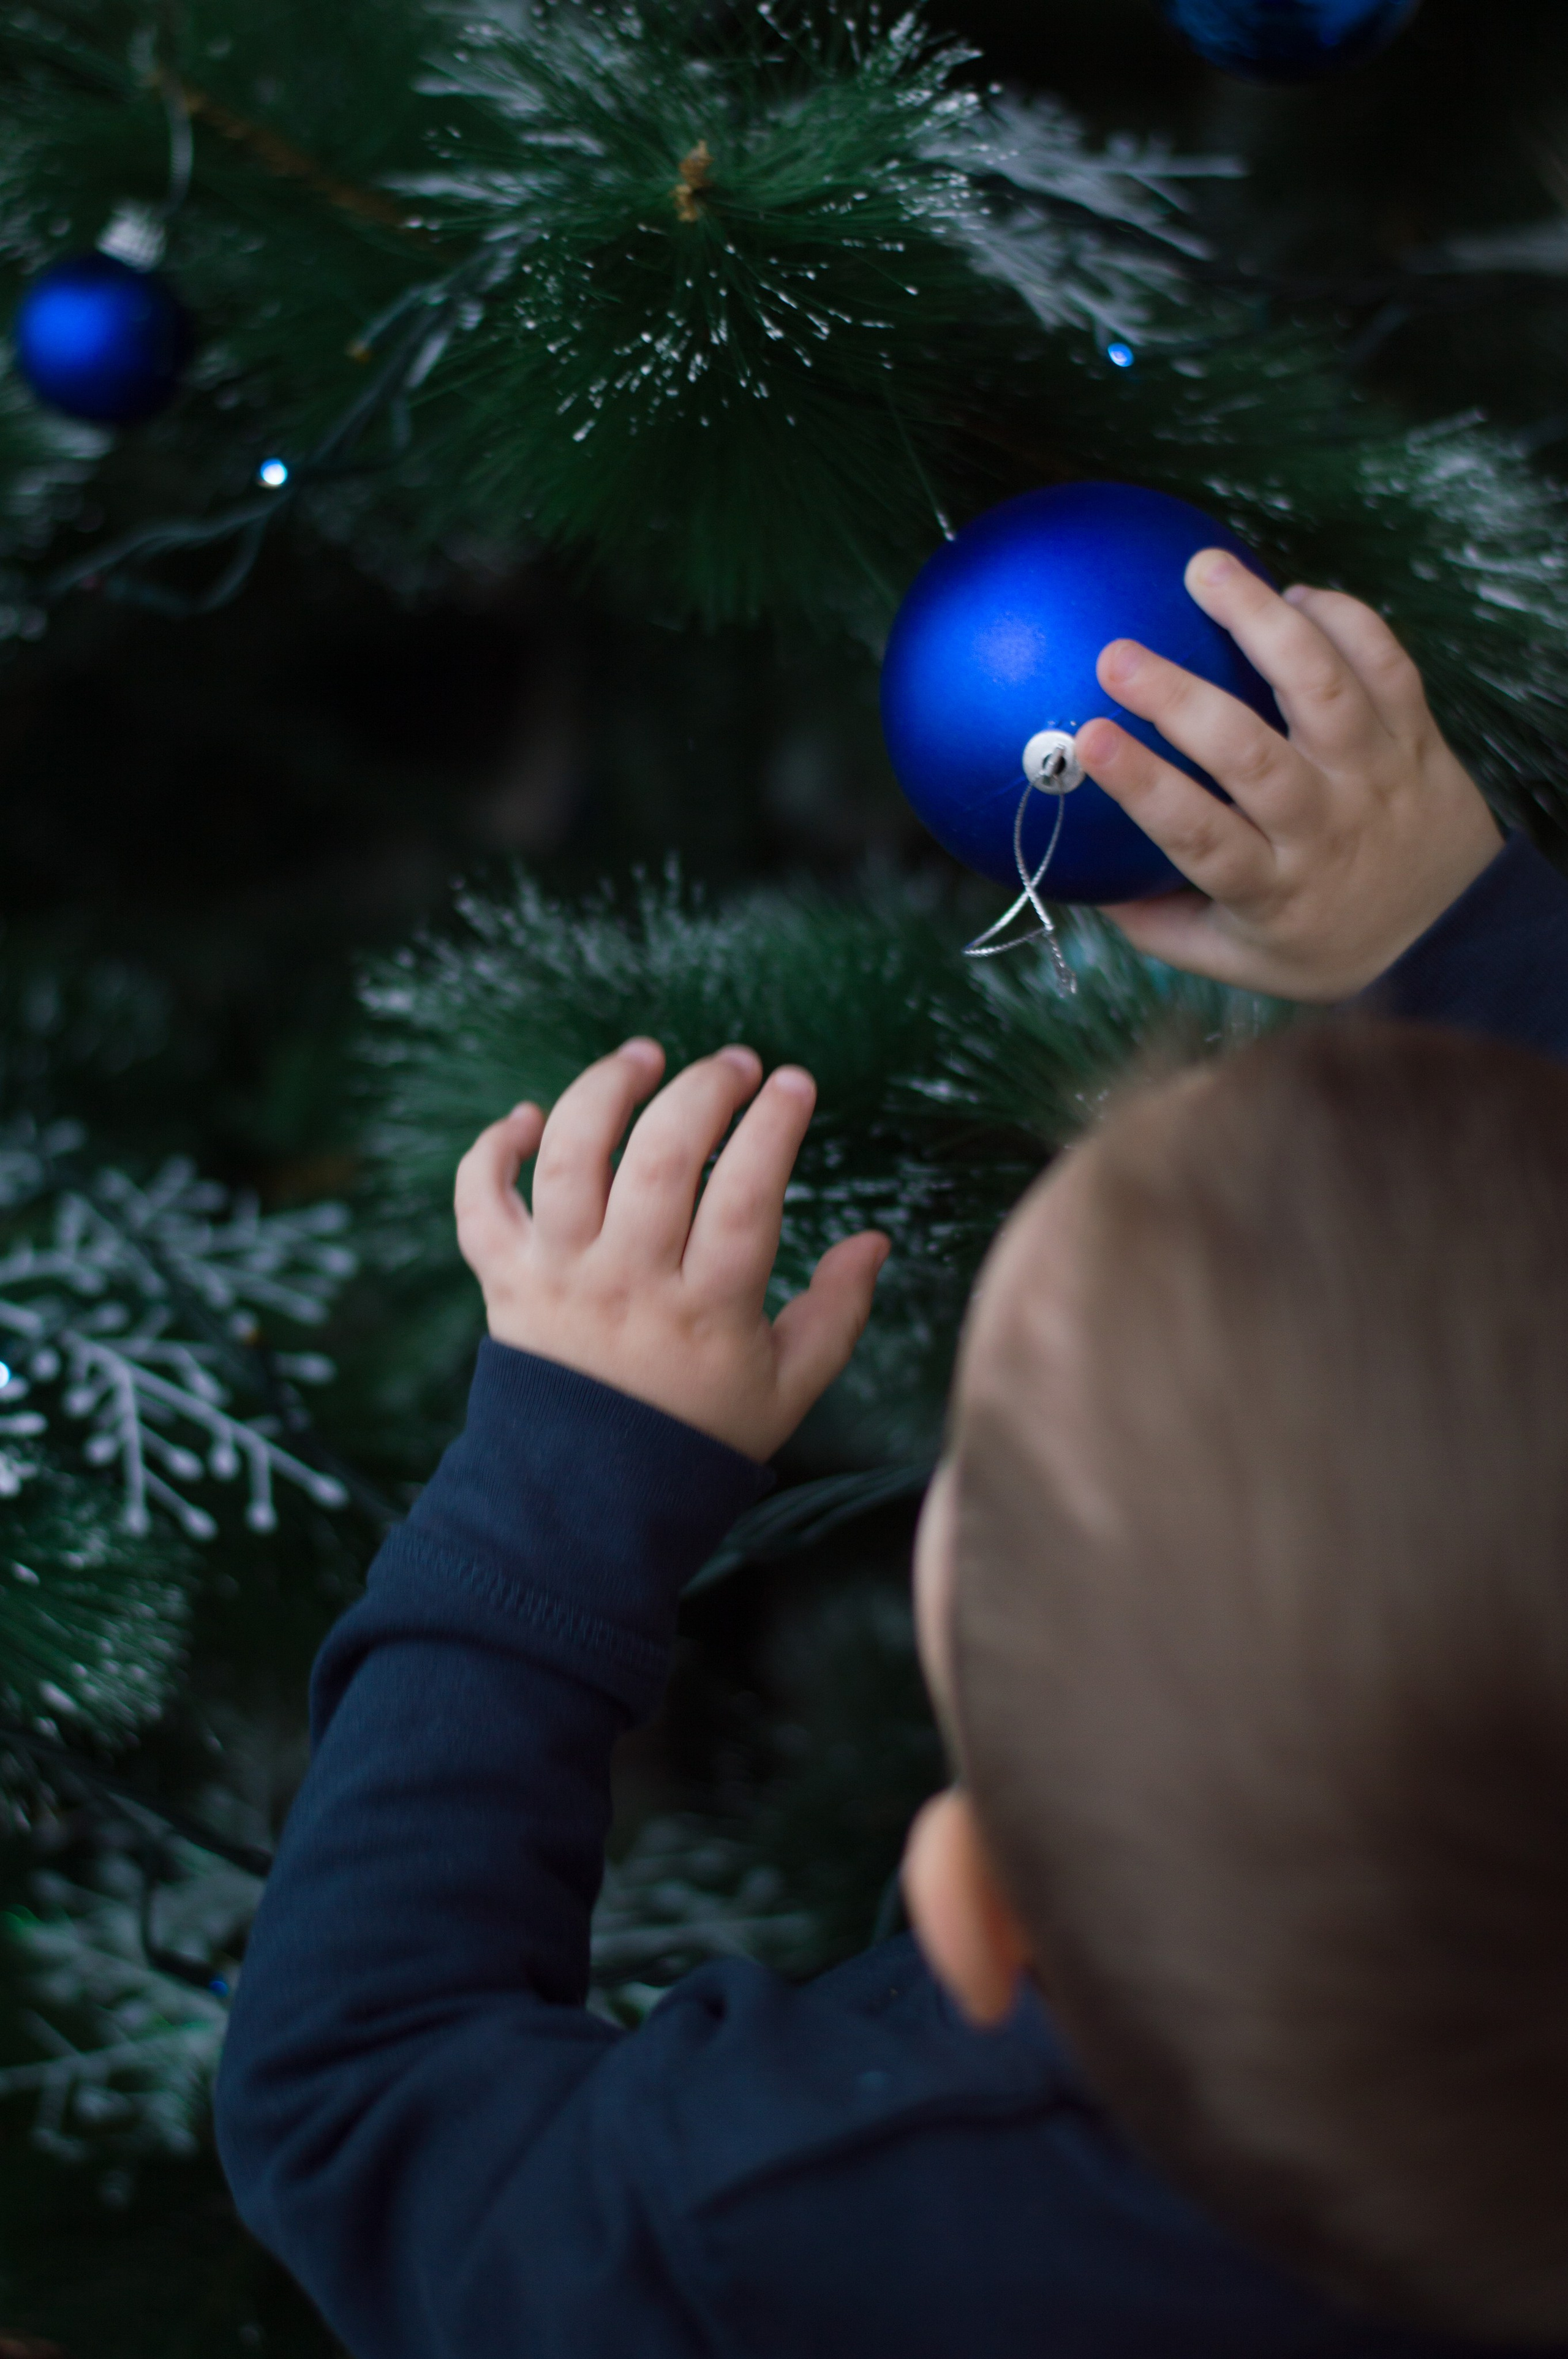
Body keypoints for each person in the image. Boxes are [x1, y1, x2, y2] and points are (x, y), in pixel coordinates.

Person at [216, 554, 1568, 2357]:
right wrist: (1452, 936)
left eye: (986, 1457)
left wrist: (571, 1472)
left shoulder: (809, 2216)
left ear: (979, 1909)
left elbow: (360, 2099)